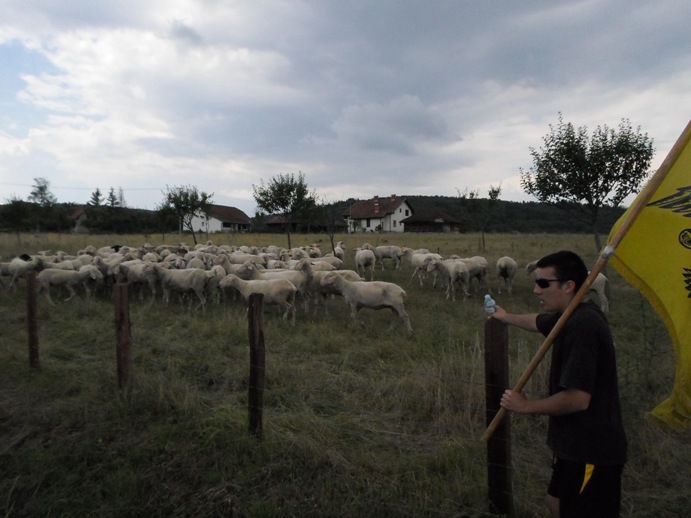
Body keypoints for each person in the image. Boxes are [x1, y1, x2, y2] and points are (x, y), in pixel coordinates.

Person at [489, 250, 627, 517]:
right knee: (556, 502)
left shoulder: (583, 326)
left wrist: (525, 406)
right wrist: (505, 316)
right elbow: (537, 321)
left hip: (591, 448)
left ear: (568, 286)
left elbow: (578, 398)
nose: (536, 290)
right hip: (574, 444)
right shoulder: (570, 315)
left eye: (543, 283)